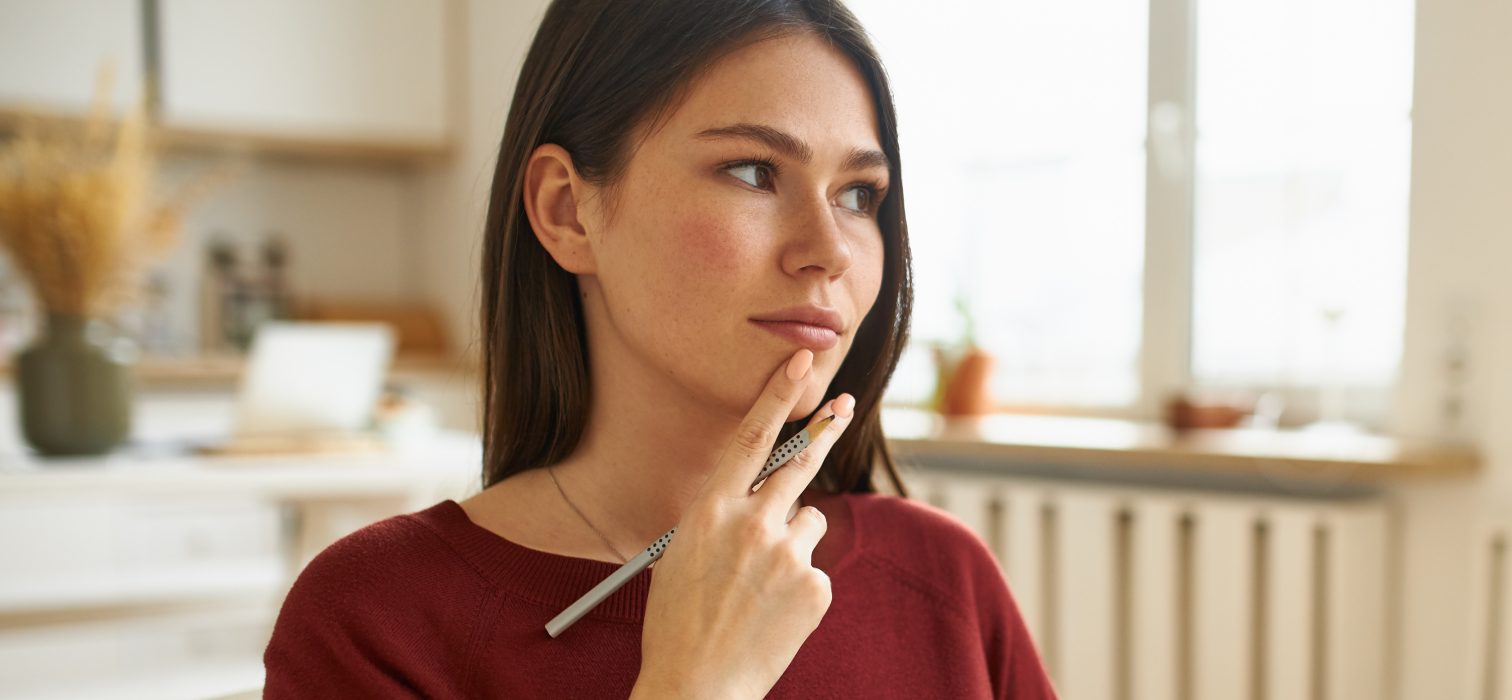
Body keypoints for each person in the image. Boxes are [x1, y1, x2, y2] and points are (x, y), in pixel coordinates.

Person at [261, 1, 1055, 697]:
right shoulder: (373, 620)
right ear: (568, 210)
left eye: (858, 195)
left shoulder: (945, 577)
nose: (831, 249)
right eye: (752, 171)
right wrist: (695, 685)